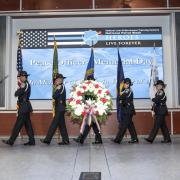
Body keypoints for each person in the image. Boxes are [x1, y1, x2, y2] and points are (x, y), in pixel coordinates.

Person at [2, 71, 35, 146]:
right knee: (28, 125)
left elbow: (16, 94)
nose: (20, 78)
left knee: (18, 125)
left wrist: (19, 88)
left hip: (23, 107)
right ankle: (32, 141)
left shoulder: (24, 84)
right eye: (20, 77)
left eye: (21, 76)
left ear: (24, 77)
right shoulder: (25, 84)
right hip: (25, 106)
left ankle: (11, 141)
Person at [40, 73, 69, 145]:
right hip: (60, 108)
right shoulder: (60, 86)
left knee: (54, 124)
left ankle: (47, 139)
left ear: (60, 80)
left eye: (56, 80)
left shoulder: (60, 87)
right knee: (62, 125)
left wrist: (56, 89)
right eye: (55, 80)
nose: (55, 81)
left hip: (60, 108)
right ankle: (66, 140)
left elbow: (54, 96)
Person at [73, 77, 102, 145]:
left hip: (92, 110)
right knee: (91, 124)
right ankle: (83, 139)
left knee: (90, 124)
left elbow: (91, 100)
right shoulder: (89, 89)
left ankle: (81, 139)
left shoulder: (94, 90)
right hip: (89, 110)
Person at [112, 78, 138, 144]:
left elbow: (121, 98)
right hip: (127, 110)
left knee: (124, 125)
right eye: (125, 83)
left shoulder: (127, 91)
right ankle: (135, 138)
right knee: (130, 125)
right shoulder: (125, 90)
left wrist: (121, 101)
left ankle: (117, 139)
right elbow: (122, 100)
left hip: (128, 110)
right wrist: (122, 101)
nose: (125, 85)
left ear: (129, 85)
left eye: (127, 84)